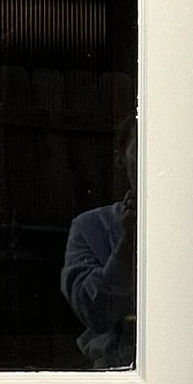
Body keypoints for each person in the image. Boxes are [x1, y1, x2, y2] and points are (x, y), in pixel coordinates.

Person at [61, 119, 136, 368]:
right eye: (139, 151)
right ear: (120, 158)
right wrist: (128, 243)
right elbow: (94, 313)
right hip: (113, 376)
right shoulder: (91, 228)